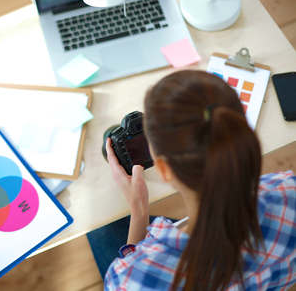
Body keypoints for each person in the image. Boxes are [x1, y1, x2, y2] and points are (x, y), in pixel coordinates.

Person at [101, 70, 296, 290]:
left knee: (104, 231)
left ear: (164, 170)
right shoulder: (287, 189)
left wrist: (138, 211)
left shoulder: (129, 278)